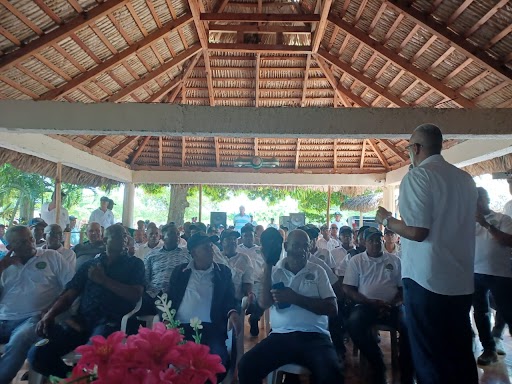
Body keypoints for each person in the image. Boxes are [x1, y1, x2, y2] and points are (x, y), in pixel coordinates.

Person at [376, 123, 478, 384]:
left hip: (427, 281)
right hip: (461, 281)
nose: (409, 152)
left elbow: (417, 231)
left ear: (417, 148)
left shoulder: (418, 177)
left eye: (410, 147)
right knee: (459, 354)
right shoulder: (465, 179)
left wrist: (387, 220)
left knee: (430, 358)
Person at [28, 224, 145, 379]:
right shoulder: (90, 265)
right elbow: (69, 295)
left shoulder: (134, 264)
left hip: (111, 323)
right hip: (81, 322)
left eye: (125, 236)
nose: (124, 239)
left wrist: (104, 280)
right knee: (37, 354)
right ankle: (73, 378)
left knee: (91, 359)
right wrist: (50, 314)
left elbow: (135, 295)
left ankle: (81, 377)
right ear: (105, 240)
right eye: (118, 235)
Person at [238, 229, 344, 384]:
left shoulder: (317, 271)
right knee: (246, 365)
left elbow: (332, 308)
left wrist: (296, 298)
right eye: (296, 245)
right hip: (280, 337)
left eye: (305, 246)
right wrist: (268, 264)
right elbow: (264, 303)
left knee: (331, 374)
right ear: (286, 246)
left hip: (315, 337)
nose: (301, 250)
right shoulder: (274, 272)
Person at [0, 226, 74, 383]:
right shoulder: (4, 265)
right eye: (21, 242)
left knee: (20, 339)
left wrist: (51, 310)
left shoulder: (51, 257)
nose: (29, 244)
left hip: (34, 318)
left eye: (30, 239)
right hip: (3, 318)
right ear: (9, 247)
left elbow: (71, 288)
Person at [343, 228, 413, 384]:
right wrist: (369, 302)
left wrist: (392, 303)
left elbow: (403, 289)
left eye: (378, 240)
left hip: (392, 306)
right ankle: (377, 361)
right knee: (353, 324)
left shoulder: (395, 261)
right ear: (364, 242)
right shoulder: (357, 261)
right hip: (365, 305)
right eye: (371, 240)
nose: (375, 243)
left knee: (409, 325)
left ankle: (406, 369)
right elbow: (348, 288)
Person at [167, 232, 240, 379]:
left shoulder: (222, 272)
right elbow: (170, 299)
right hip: (181, 328)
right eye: (206, 247)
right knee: (171, 360)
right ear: (194, 252)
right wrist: (166, 319)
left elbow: (229, 299)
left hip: (211, 329)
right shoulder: (180, 272)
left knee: (218, 362)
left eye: (211, 246)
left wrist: (232, 312)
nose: (211, 250)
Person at [472, 187, 512, 364]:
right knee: (481, 313)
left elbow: (509, 241)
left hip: (500, 274)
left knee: (508, 311)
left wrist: (486, 224)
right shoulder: (467, 222)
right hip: (475, 272)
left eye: (480, 199)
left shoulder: (503, 219)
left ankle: (498, 337)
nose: (477, 203)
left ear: (487, 199)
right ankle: (488, 349)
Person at [143, 224, 190, 313]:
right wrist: (152, 292)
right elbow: (145, 277)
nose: (177, 236)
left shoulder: (186, 253)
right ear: (163, 237)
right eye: (172, 234)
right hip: (155, 294)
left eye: (177, 234)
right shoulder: (151, 255)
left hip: (179, 294)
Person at [237, 224, 264, 336]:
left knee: (263, 298)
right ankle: (251, 307)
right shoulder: (238, 250)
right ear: (242, 237)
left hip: (257, 281)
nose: (249, 238)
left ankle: (254, 317)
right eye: (246, 236)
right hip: (241, 282)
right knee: (248, 297)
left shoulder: (260, 250)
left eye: (251, 235)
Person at [220, 230, 254, 302]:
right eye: (228, 239)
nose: (232, 241)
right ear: (222, 242)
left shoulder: (244, 259)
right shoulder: (216, 258)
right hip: (217, 302)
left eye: (234, 239)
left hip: (236, 302)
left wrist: (249, 297)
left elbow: (247, 283)